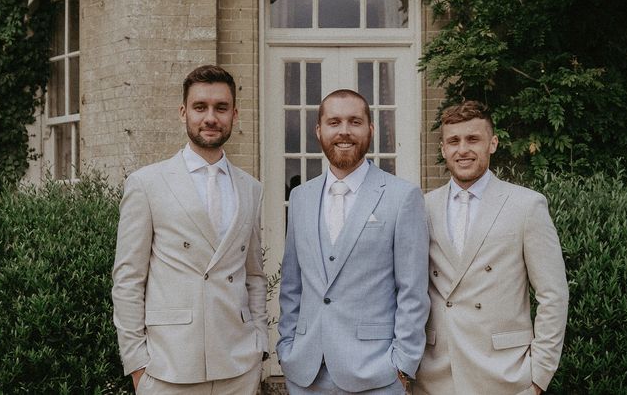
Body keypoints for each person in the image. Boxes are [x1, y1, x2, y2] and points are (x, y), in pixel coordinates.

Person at [112, 65, 268, 394]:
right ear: (183, 113)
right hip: (169, 368)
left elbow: (254, 275)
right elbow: (128, 279)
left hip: (238, 367)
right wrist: (137, 364)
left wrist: (260, 344)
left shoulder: (250, 188)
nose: (210, 117)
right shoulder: (147, 183)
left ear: (235, 115)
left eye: (220, 108)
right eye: (200, 107)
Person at [278, 89, 430, 394]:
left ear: (370, 130)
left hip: (376, 373)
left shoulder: (402, 197)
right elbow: (292, 284)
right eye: (334, 122)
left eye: (355, 121)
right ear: (319, 131)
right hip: (306, 373)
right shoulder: (300, 197)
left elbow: (413, 290)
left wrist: (402, 363)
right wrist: (287, 348)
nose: (344, 131)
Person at [415, 101, 569, 395]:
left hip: (505, 373)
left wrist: (539, 375)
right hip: (436, 375)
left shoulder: (526, 205)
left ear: (493, 143)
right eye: (453, 141)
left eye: (473, 139)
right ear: (444, 148)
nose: (463, 150)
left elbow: (553, 294)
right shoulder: (423, 207)